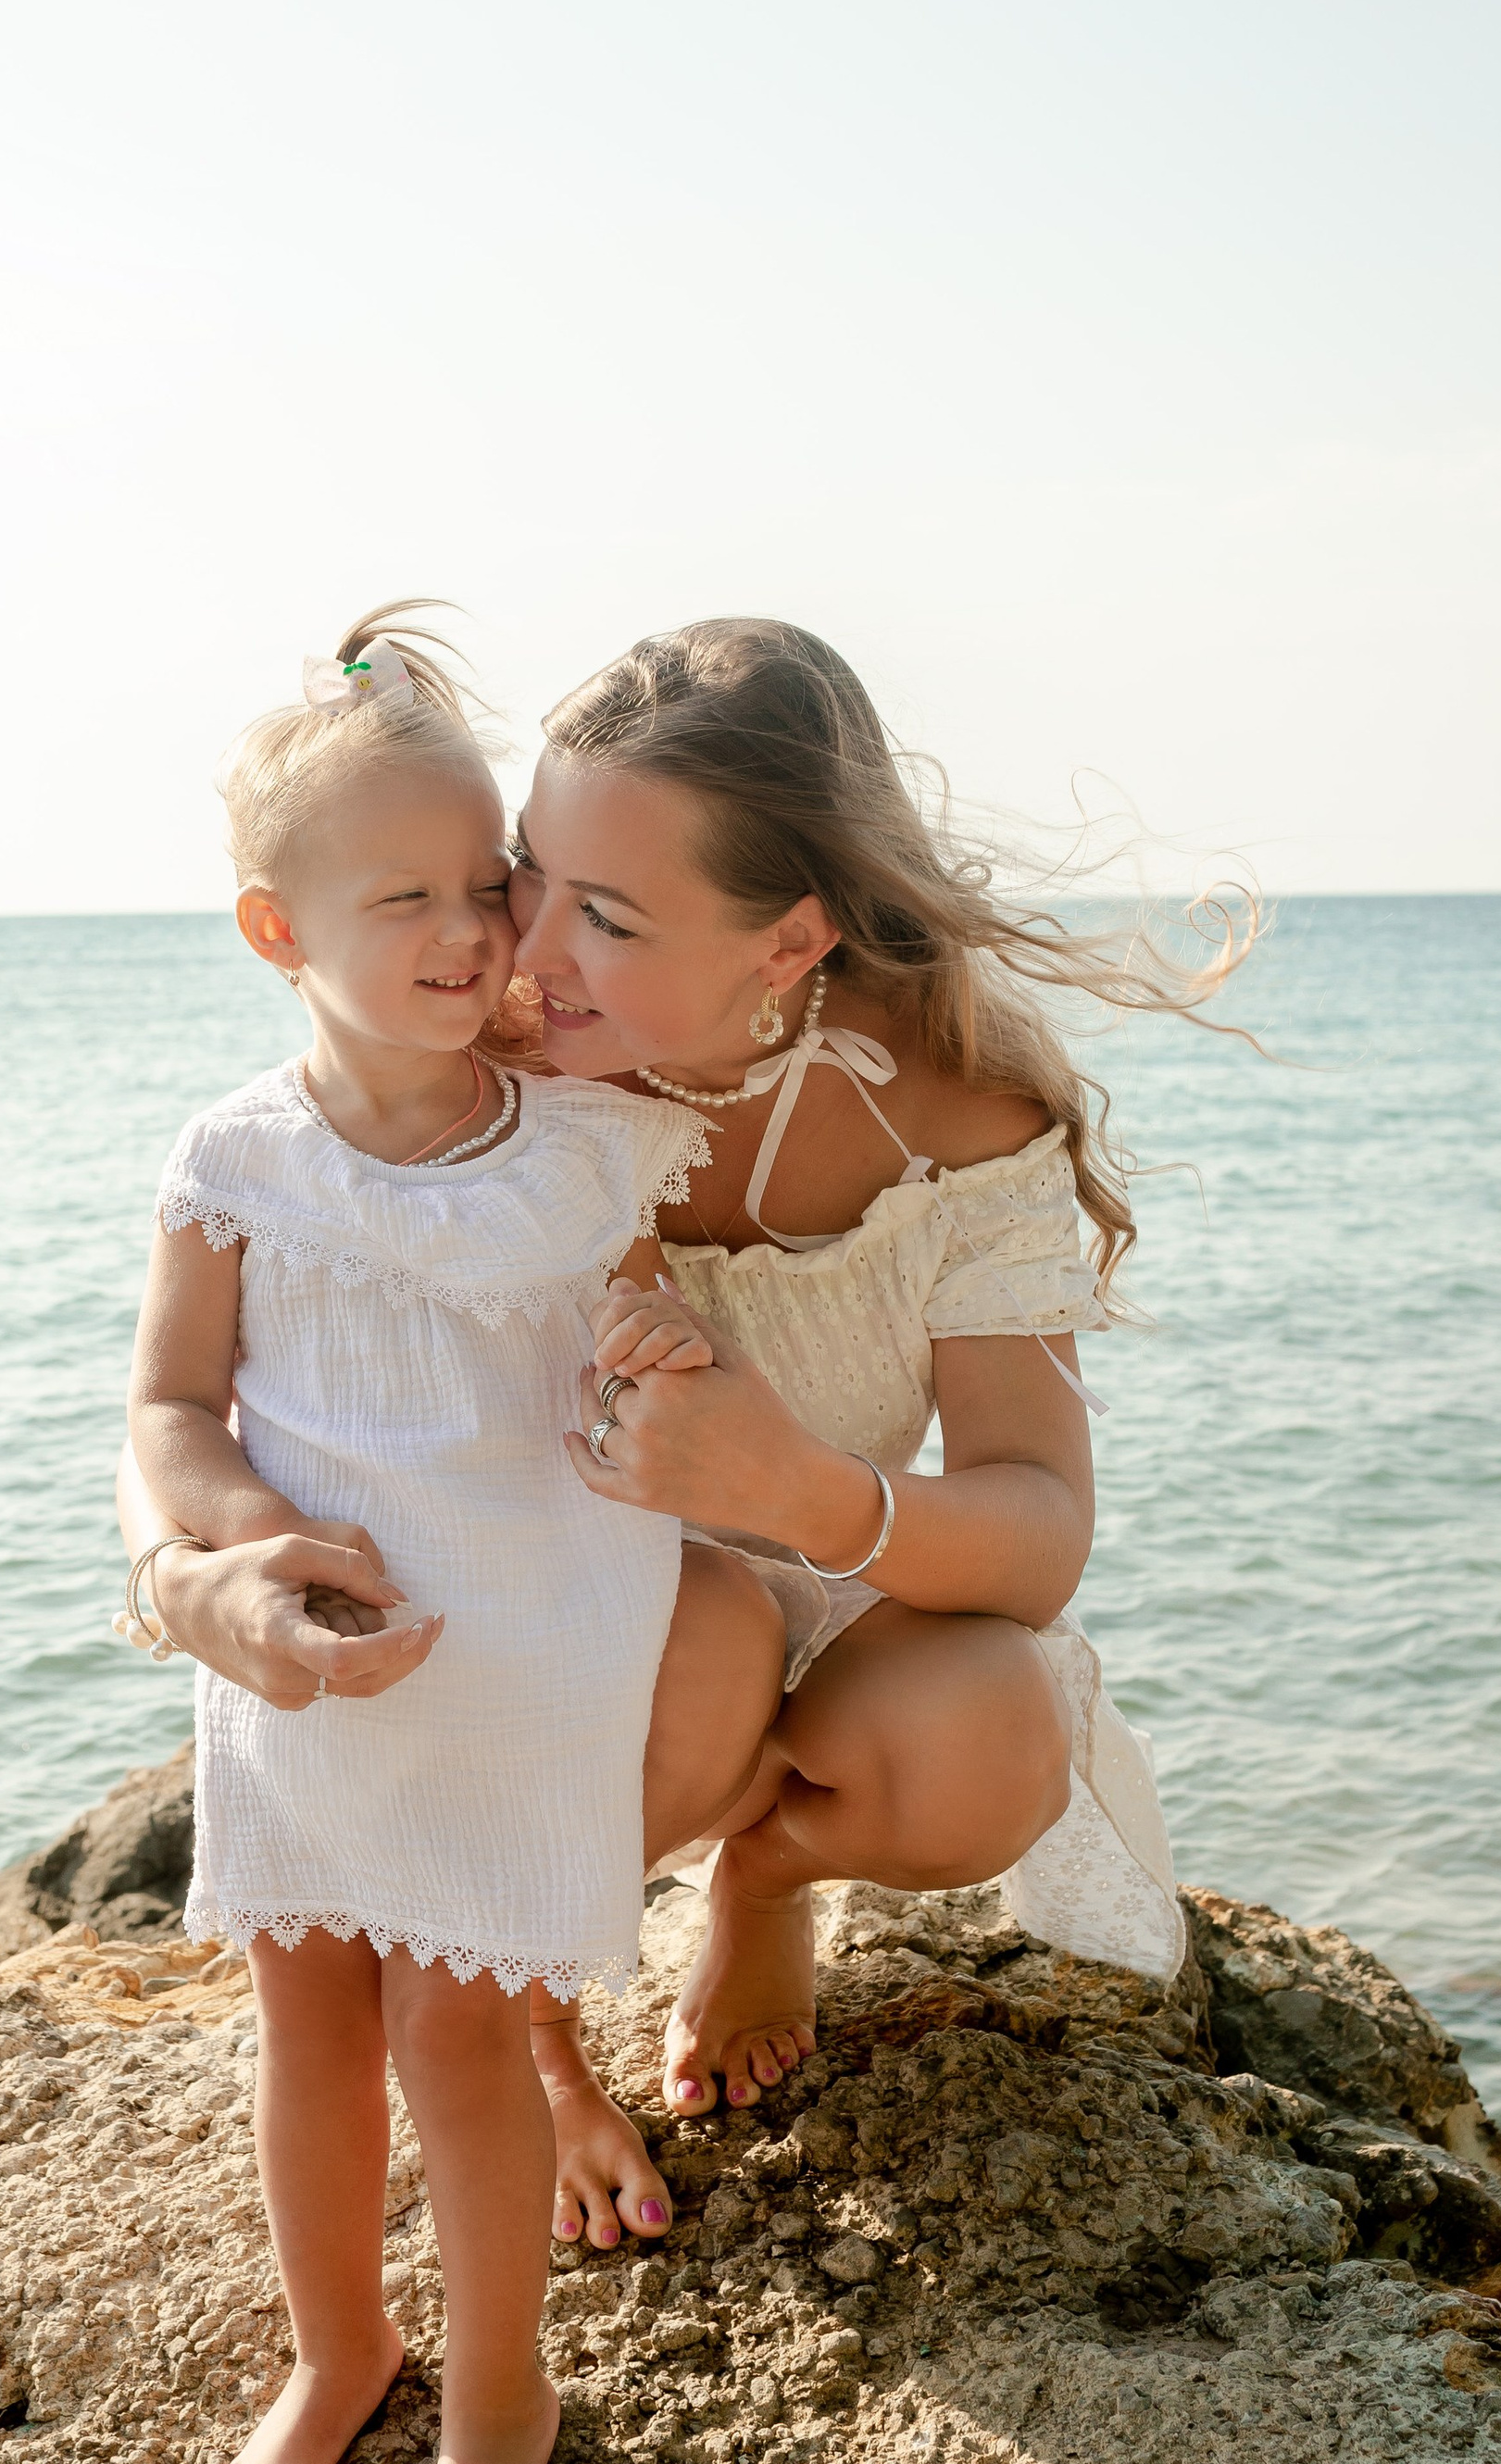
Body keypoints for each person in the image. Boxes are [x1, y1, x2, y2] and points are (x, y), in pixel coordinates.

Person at [131, 617, 1252, 2261]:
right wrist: (182, 1577)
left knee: (992, 1738)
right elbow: (203, 1348)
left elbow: (1040, 1537)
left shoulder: (957, 1112)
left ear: (787, 940)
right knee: (705, 1619)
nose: (521, 943)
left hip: (825, 1588)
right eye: (530, 871)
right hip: (550, 1627)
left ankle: (767, 1880)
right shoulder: (479, 1049)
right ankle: (535, 2036)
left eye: (608, 913)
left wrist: (794, 1487)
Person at [124, 607, 715, 2464]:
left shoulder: (586, 1145)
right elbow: (169, 1409)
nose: (473, 932)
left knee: (457, 2034)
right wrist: (252, 1547)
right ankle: (339, 2346)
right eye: (408, 901)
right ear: (274, 933)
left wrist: (662, 1342)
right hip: (308, 1661)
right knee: (302, 2013)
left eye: (490, 884)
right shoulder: (235, 1162)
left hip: (521, 1658)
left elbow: (654, 1349)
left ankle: (497, 2399)